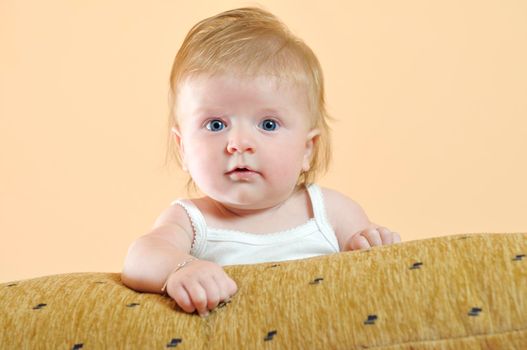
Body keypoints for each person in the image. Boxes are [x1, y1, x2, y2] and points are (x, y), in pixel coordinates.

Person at [121, 7, 401, 318]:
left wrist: (372, 243)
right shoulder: (190, 220)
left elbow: (371, 272)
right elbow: (139, 258)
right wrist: (181, 268)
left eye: (268, 124)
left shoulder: (332, 213)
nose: (239, 143)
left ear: (307, 150)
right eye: (215, 124)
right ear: (183, 148)